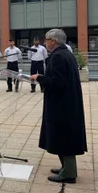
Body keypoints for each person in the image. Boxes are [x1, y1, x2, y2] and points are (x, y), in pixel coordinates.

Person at [30, 29, 87, 184]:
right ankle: (65, 168)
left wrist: (39, 78)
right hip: (65, 102)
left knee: (64, 137)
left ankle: (68, 173)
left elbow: (56, 82)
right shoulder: (64, 54)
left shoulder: (59, 56)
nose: (44, 42)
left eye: (46, 39)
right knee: (63, 136)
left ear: (53, 41)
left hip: (63, 104)